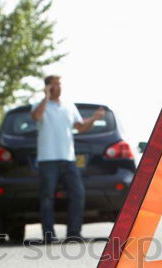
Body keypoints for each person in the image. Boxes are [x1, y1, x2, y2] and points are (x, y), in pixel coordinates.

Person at [30, 75, 105, 242]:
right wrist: (46, 97)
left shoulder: (68, 106)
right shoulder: (40, 106)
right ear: (48, 87)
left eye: (60, 84)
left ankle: (74, 233)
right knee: (47, 197)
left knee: (77, 194)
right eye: (55, 85)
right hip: (47, 160)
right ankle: (48, 235)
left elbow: (81, 127)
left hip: (68, 159)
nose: (59, 87)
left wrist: (94, 118)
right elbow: (36, 117)